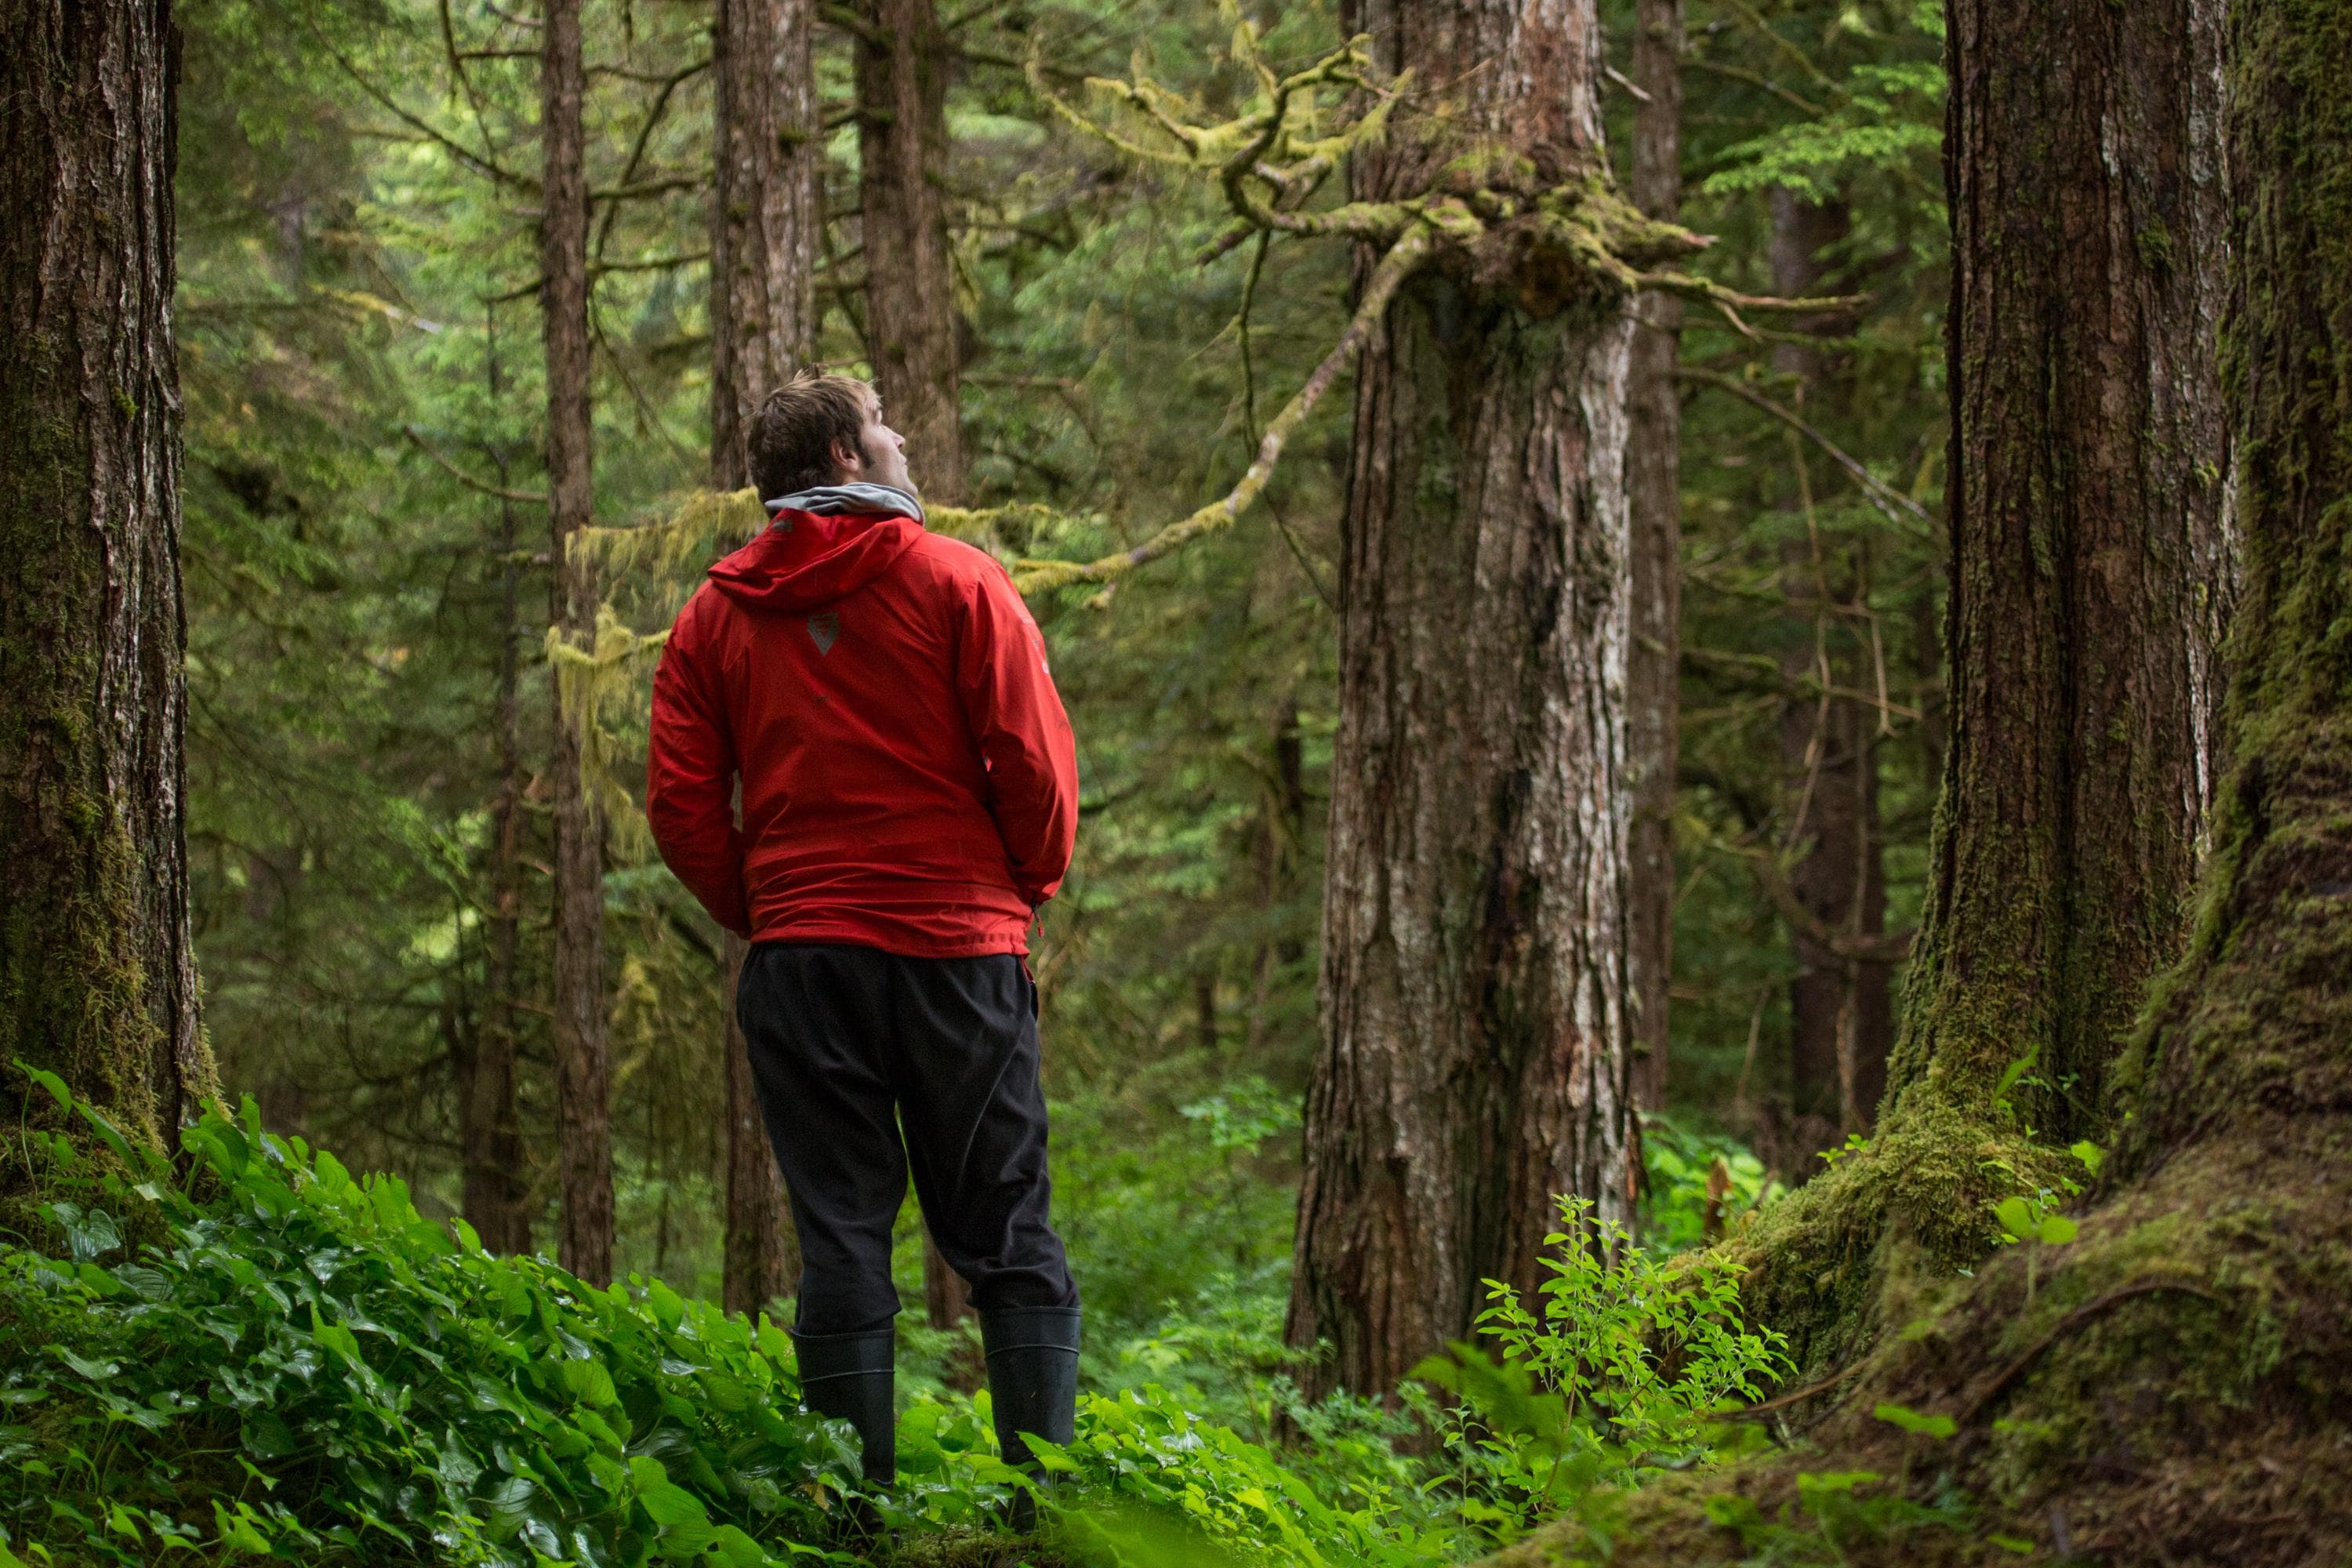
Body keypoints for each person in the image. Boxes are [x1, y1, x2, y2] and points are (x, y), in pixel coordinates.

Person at [645, 372, 1081, 1512]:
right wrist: (1020, 885)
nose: (904, 439)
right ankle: (1042, 1507)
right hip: (958, 953)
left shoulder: (713, 617)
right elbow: (1033, 765)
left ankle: (855, 1517)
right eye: (887, 427)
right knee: (1008, 1231)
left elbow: (683, 805)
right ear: (846, 454)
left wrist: (772, 910)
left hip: (803, 965)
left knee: (839, 1235)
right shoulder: (959, 581)